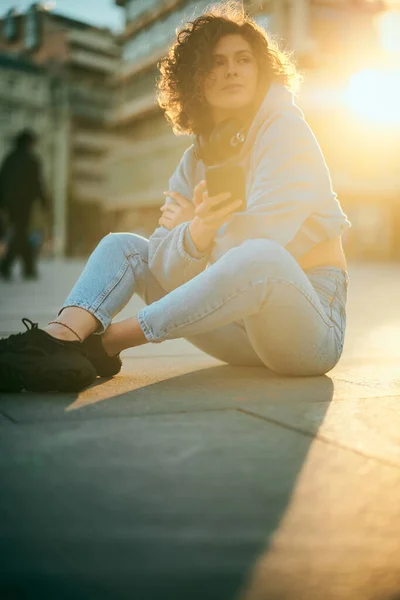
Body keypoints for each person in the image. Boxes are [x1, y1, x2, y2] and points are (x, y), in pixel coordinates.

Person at [0, 3, 351, 393]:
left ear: (261, 70)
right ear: (195, 79)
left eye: (243, 60)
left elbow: (263, 243)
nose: (232, 69)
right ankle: (59, 339)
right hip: (242, 333)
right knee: (127, 247)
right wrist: (195, 232)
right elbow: (166, 270)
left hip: (309, 329)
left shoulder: (285, 130)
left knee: (261, 256)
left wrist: (197, 227)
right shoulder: (195, 159)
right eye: (216, 62)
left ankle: (106, 343)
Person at [0, 128, 51, 280]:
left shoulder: (9, 158)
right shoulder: (31, 160)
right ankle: (10, 266)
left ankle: (27, 267)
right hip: (24, 203)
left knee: (20, 232)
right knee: (21, 232)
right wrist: (44, 201)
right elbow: (37, 183)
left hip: (10, 204)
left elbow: (2, 181)